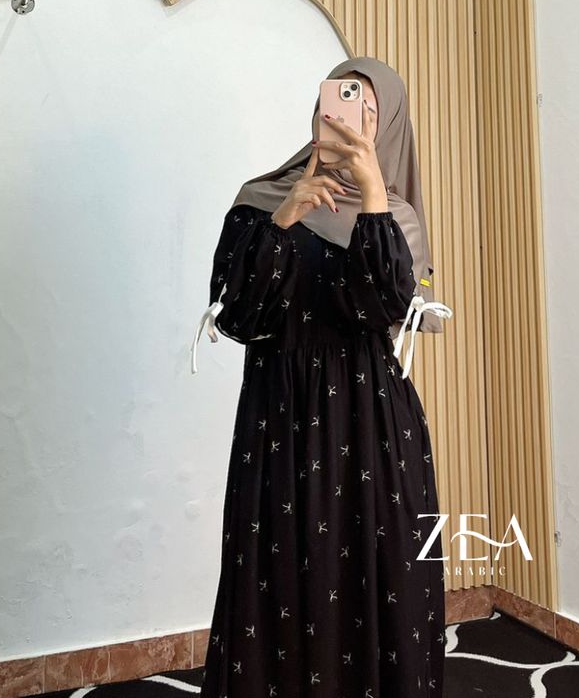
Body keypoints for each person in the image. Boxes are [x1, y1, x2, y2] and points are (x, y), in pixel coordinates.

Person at [192, 56, 452, 698]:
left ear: (387, 124)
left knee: (375, 577)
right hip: (277, 422)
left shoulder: (396, 216)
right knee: (276, 575)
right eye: (338, 103)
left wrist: (371, 199)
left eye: (367, 109)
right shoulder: (260, 200)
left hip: (371, 427)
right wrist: (283, 221)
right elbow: (238, 315)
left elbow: (382, 309)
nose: (346, 120)